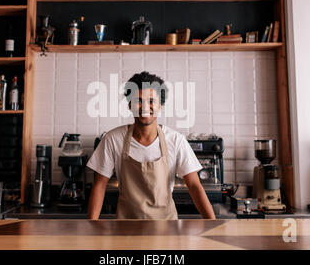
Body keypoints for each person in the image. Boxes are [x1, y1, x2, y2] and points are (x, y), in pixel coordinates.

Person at [86, 71, 216, 220]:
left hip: (167, 229)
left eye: (151, 101)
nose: (145, 107)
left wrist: (212, 225)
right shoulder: (113, 139)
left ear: (160, 105)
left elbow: (194, 186)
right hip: (126, 228)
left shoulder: (175, 140)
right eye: (138, 100)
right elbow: (99, 185)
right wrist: (92, 226)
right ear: (130, 105)